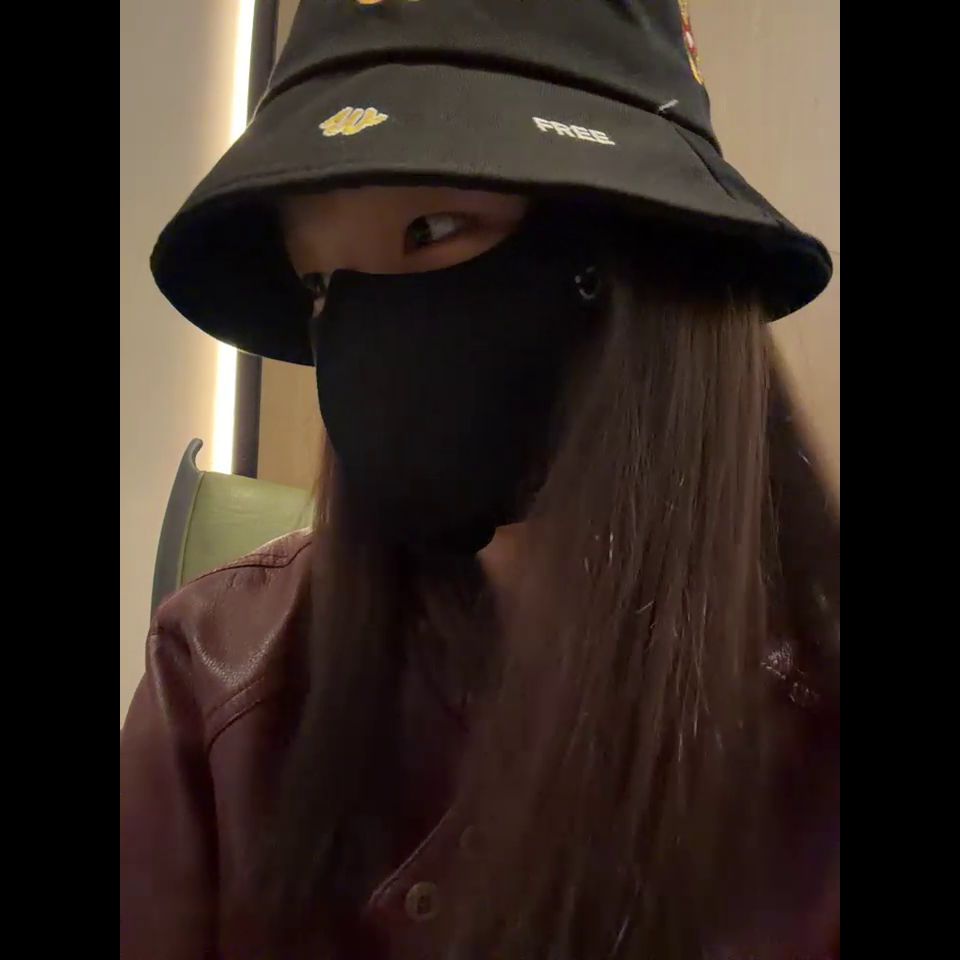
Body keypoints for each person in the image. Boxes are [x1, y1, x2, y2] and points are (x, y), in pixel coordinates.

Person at [121, 1, 840, 957]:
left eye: (433, 228)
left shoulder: (812, 744)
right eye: (320, 285)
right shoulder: (215, 683)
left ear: (641, 257)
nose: (368, 343)